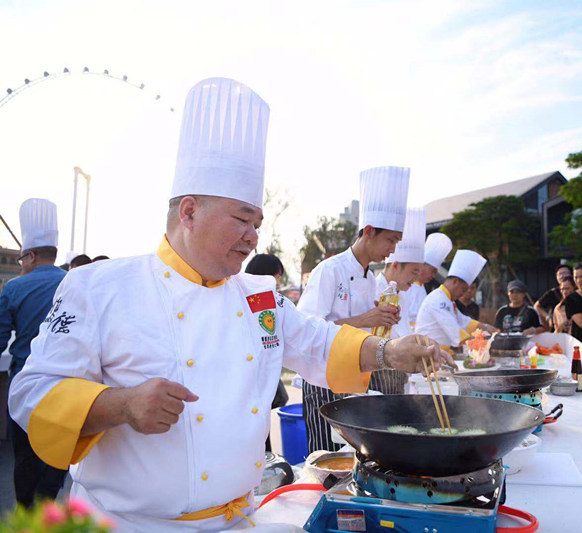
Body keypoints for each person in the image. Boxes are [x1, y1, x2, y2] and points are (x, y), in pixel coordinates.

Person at [8, 78, 448, 531]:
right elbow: (31, 393)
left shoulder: (257, 293)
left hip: (239, 520)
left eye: (257, 222)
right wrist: (119, 405)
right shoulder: (98, 287)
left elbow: (317, 341)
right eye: (241, 218)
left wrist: (389, 352)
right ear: (189, 212)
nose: (254, 236)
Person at [298, 166, 409, 454]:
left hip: (357, 377)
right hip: (324, 379)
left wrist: (382, 320)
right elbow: (307, 327)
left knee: (356, 457)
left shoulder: (369, 277)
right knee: (327, 460)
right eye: (391, 240)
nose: (393, 249)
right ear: (369, 232)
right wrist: (365, 318)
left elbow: (363, 330)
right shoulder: (329, 270)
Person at [0, 199, 67, 508]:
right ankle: (49, 511)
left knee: (25, 456)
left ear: (30, 255)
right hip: (67, 386)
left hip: (25, 384)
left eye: (21, 259)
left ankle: (27, 515)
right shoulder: (73, 282)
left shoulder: (14, 288)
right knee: (59, 452)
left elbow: (0, 339)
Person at [372, 207, 426, 394]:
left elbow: (405, 332)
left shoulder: (402, 294)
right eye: (413, 272)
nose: (415, 279)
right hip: (376, 376)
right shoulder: (373, 289)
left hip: (397, 375)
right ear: (395, 265)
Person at [245, 253, 289, 451]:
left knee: (262, 436)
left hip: (261, 382)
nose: (278, 282)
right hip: (249, 384)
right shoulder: (253, 302)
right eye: (276, 276)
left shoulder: (273, 303)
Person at [415, 250, 498, 349]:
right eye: (463, 290)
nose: (462, 294)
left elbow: (463, 321)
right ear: (455, 282)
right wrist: (481, 342)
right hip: (428, 353)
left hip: (439, 351)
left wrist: (485, 327)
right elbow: (453, 328)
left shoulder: (448, 300)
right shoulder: (438, 299)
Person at [534, 264, 573, 330]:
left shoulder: (578, 292)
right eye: (559, 274)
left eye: (565, 273)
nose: (562, 276)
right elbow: (537, 306)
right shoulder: (553, 292)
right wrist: (548, 317)